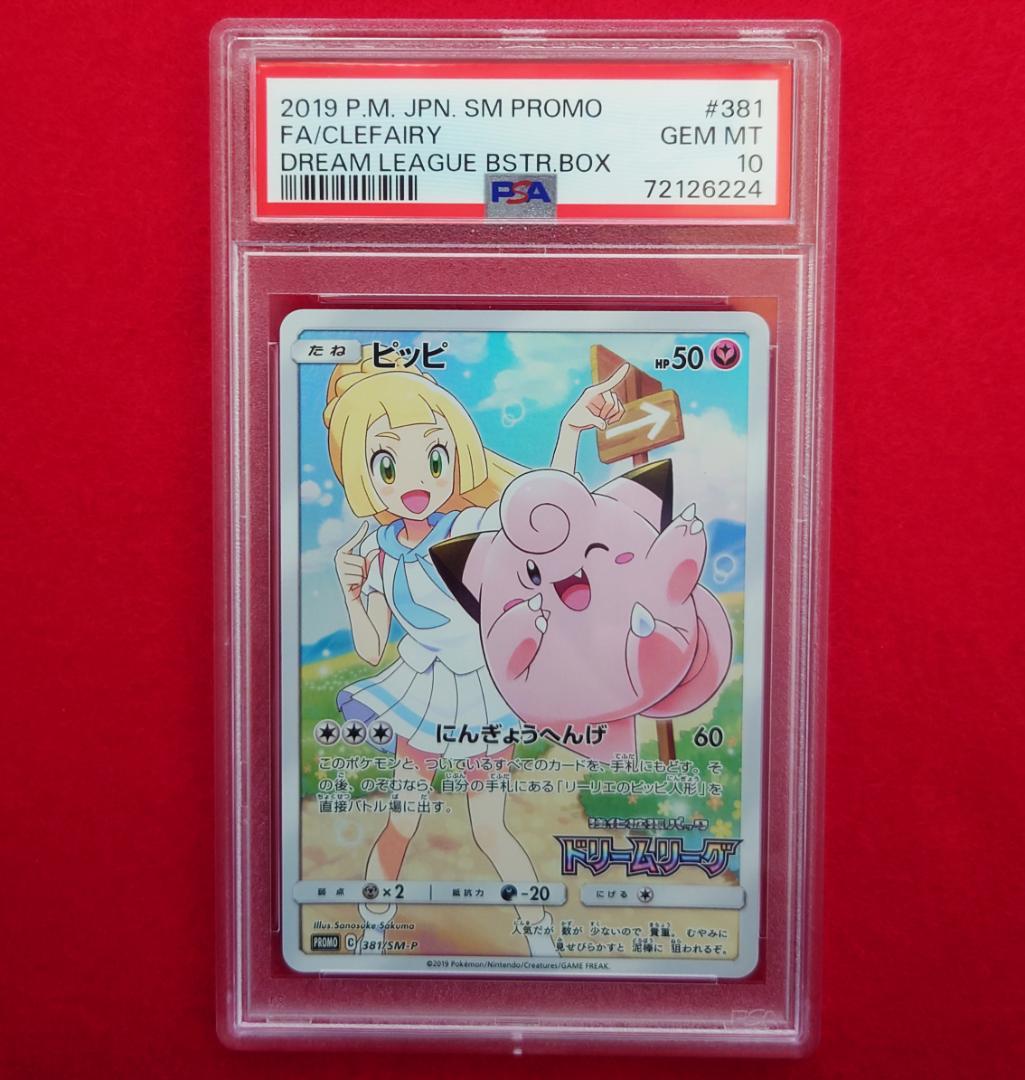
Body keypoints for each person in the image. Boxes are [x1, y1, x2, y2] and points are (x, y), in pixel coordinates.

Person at [324, 349, 625, 955]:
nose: (415, 482)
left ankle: (540, 939)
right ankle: (372, 931)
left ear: (456, 456)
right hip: (424, 693)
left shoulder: (472, 527)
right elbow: (372, 647)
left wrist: (570, 431)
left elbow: (546, 516)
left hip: (484, 694)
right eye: (387, 463)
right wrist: (351, 590)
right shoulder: (378, 551)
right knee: (402, 818)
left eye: (434, 458)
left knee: (489, 826)